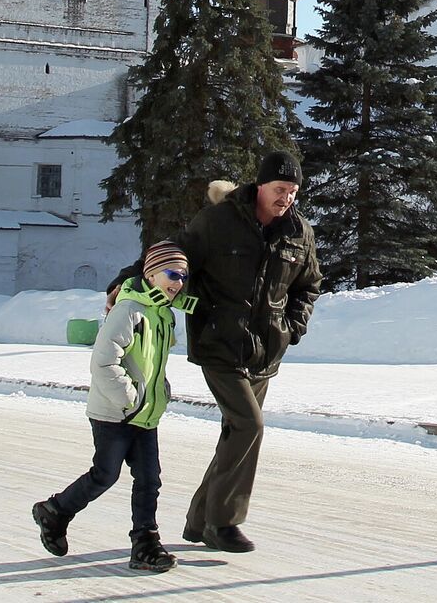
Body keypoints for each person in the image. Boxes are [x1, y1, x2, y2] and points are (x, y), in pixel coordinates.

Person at [176, 150, 321, 554]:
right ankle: (223, 524)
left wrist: (293, 326)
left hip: (265, 352)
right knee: (248, 427)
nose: (286, 199)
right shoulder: (218, 222)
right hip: (219, 341)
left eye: (293, 191)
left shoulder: (299, 232)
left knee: (234, 434)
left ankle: (198, 520)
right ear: (260, 186)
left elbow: (308, 285)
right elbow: (176, 253)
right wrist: (125, 282)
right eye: (279, 190)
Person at [33, 242, 194, 573]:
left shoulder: (164, 313)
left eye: (183, 276)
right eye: (172, 274)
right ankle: (56, 510)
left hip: (145, 414)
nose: (178, 282)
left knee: (150, 479)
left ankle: (145, 545)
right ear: (150, 273)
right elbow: (104, 362)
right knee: (105, 475)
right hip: (114, 412)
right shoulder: (129, 310)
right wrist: (129, 397)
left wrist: (157, 393)